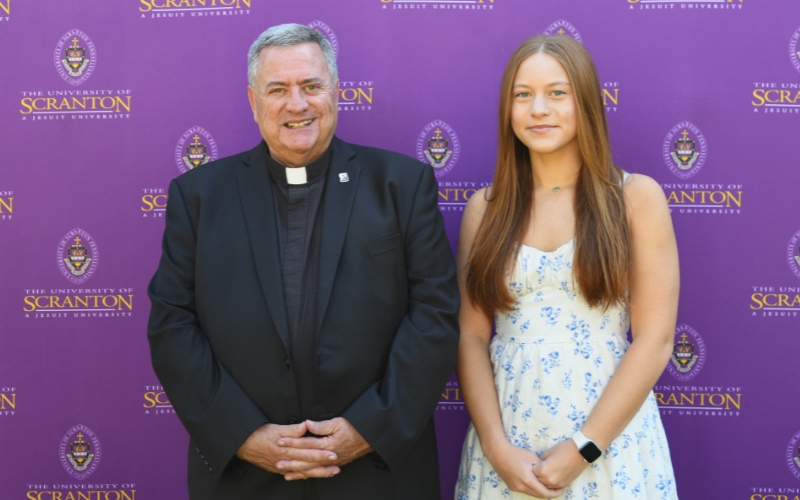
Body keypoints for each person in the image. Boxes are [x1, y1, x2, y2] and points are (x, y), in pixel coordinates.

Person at [147, 23, 459, 500]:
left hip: (378, 472)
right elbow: (172, 324)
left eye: (312, 86)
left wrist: (367, 428)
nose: (298, 104)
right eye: (278, 89)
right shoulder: (199, 197)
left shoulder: (402, 185)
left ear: (336, 92)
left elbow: (434, 315)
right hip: (244, 476)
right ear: (254, 102)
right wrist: (243, 435)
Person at [454, 35, 679, 499]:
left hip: (609, 443)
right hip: (507, 447)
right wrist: (497, 448)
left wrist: (585, 448)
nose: (539, 109)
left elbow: (655, 341)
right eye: (523, 95)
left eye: (557, 93)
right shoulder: (485, 208)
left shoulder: (636, 197)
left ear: (587, 103)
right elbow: (471, 336)